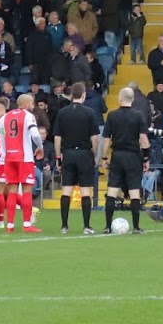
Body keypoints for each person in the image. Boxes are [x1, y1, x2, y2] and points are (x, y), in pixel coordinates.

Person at [52, 81, 100, 234]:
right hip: (84, 153)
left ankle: (64, 226)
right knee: (85, 191)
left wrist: (58, 157)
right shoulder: (89, 112)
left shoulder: (63, 113)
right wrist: (95, 155)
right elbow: (95, 138)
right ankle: (86, 226)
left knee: (66, 190)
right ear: (83, 95)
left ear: (72, 95)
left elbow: (57, 138)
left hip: (68, 153)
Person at [0, 94, 44, 233]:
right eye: (32, 103)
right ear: (26, 104)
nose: (33, 106)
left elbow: (1, 137)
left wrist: (6, 153)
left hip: (9, 158)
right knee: (27, 190)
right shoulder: (28, 116)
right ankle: (27, 224)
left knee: (12, 191)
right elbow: (35, 134)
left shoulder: (4, 118)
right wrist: (40, 147)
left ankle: (10, 225)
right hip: (24, 158)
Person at [102, 87, 149, 234]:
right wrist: (146, 158)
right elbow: (143, 139)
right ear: (132, 100)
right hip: (133, 156)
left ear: (120, 99)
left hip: (117, 155)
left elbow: (106, 139)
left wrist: (104, 157)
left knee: (112, 190)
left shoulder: (112, 116)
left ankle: (108, 226)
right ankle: (136, 227)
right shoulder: (139, 116)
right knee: (134, 191)